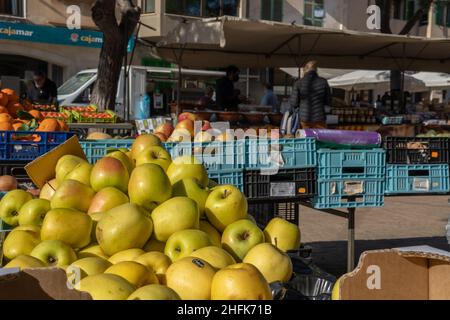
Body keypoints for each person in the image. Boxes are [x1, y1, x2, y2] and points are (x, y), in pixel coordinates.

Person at [290, 61, 331, 129]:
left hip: (304, 119)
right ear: (316, 70)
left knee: (307, 138)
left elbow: (294, 103)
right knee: (320, 138)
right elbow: (328, 101)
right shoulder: (323, 82)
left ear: (305, 70)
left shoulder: (298, 83)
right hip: (320, 118)